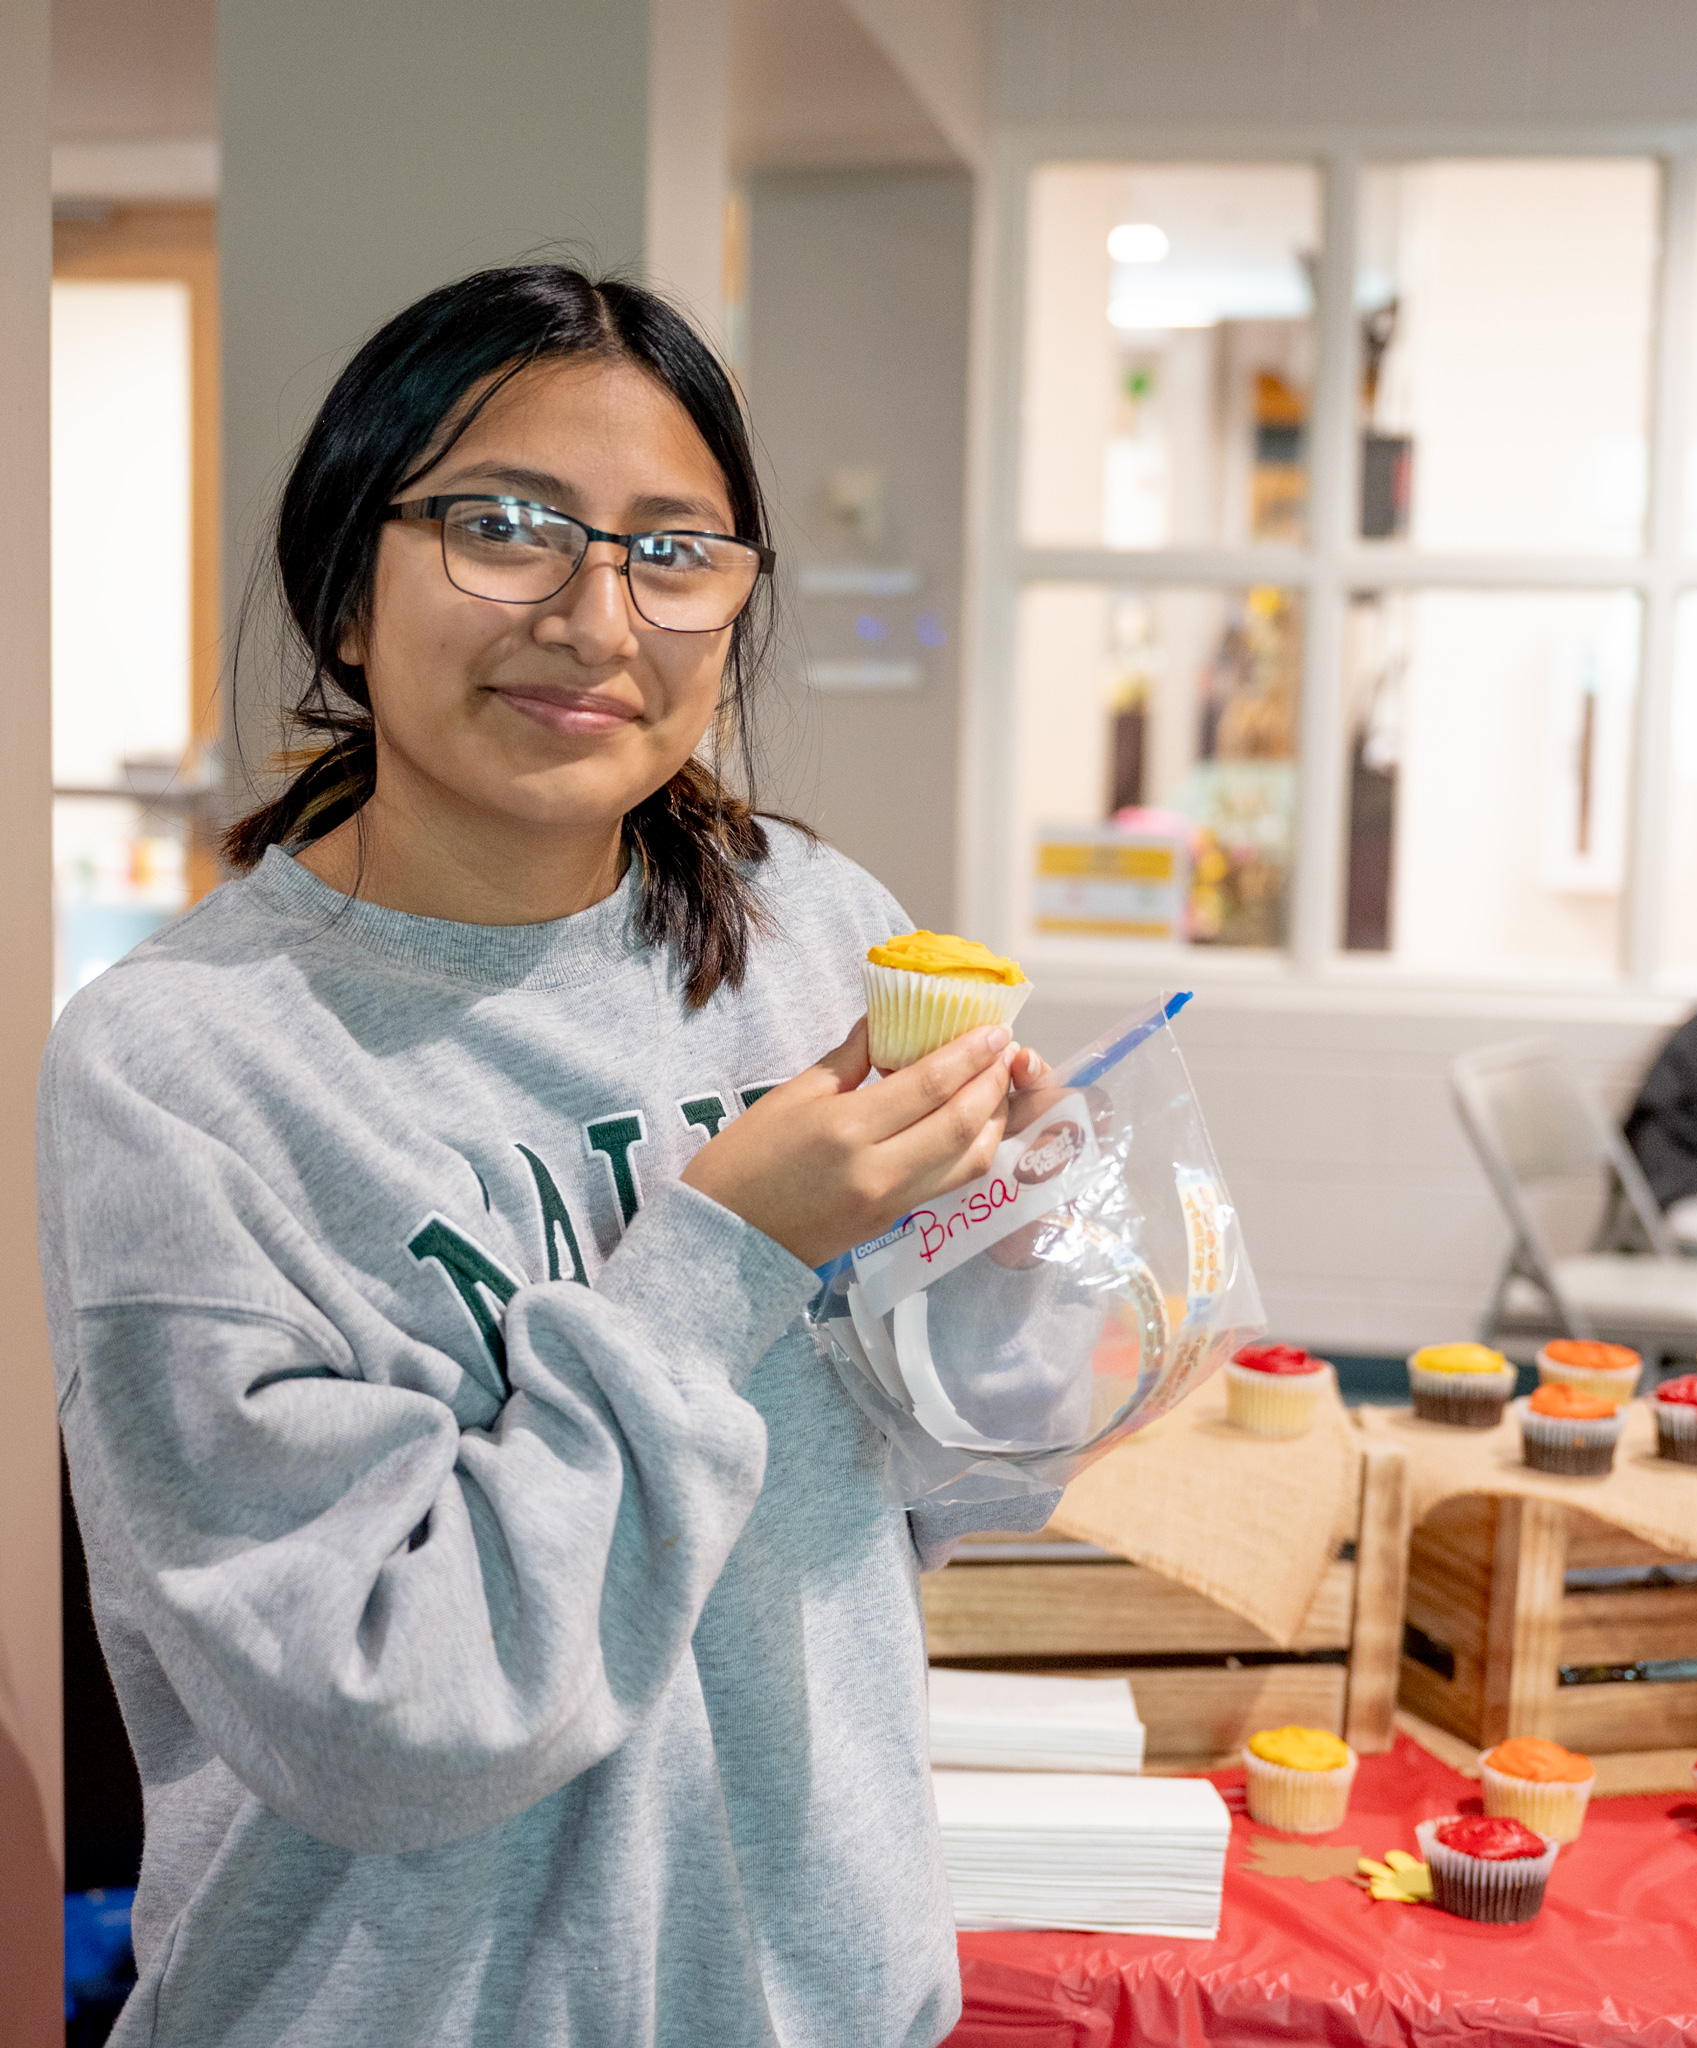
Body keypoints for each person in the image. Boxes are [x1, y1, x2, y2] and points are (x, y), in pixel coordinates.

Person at [39, 264, 1057, 2047]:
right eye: (504, 527)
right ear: (347, 591)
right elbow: (385, 1716)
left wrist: (1020, 1260)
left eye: (675, 552)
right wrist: (726, 1249)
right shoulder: (181, 1067)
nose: (596, 618)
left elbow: (962, 1482)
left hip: (816, 1997)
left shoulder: (820, 939)